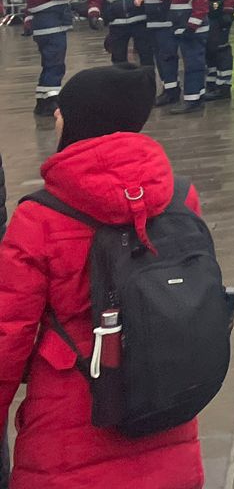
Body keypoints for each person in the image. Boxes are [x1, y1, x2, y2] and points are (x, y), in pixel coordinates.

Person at [0, 65, 208, 489]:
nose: (55, 116)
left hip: (70, 430)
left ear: (82, 120)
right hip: (165, 412)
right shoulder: (178, 196)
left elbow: (7, 337)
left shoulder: (38, 217)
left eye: (63, 109)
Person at [24, 0, 79, 116]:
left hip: (46, 28)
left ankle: (42, 101)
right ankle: (51, 101)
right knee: (55, 66)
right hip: (52, 29)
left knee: (49, 65)